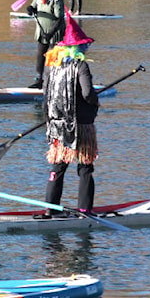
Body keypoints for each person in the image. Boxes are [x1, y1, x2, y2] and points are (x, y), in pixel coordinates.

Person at [36, 14, 99, 218]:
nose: (85, 49)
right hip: (80, 124)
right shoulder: (81, 66)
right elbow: (88, 93)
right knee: (85, 166)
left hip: (57, 125)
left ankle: (50, 208)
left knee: (58, 166)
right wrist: (95, 101)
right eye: (83, 45)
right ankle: (84, 210)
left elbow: (46, 94)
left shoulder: (51, 68)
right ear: (78, 47)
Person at [25, 0, 65, 89]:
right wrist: (30, 9)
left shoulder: (56, 0)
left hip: (54, 34)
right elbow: (32, 7)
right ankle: (38, 79)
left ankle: (54, 80)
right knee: (40, 56)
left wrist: (51, 32)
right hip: (41, 33)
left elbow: (60, 18)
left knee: (53, 57)